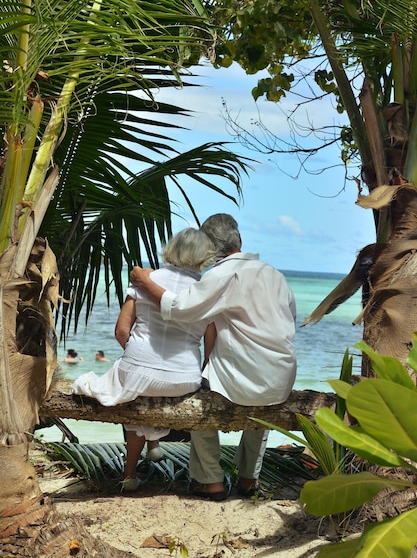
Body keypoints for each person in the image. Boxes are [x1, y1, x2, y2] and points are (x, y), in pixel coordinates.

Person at [130, 213, 297, 501]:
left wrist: (144, 282)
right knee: (261, 411)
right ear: (240, 239)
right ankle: (248, 479)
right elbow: (289, 318)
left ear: (209, 249)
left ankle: (211, 481)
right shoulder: (275, 274)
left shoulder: (222, 274)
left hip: (242, 383)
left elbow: (181, 307)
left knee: (200, 402)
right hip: (281, 378)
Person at [72, 228, 216, 492]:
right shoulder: (206, 292)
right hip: (184, 379)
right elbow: (210, 346)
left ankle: (130, 473)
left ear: (171, 248)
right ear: (204, 257)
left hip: (138, 373)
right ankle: (153, 446)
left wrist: (139, 357)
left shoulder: (146, 279)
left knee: (136, 385)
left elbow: (121, 331)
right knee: (146, 384)